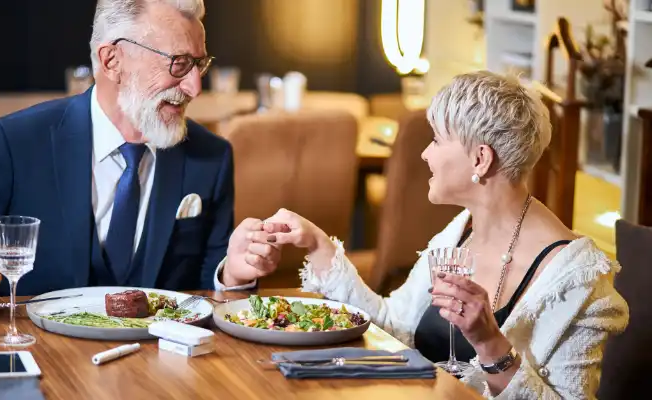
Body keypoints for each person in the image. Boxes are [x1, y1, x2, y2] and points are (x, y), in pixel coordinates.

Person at [253, 72, 629, 398]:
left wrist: (489, 344)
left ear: (480, 159)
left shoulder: (578, 280)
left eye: (436, 139)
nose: (424, 155)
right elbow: (394, 326)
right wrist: (318, 245)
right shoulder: (458, 232)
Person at [0, 0, 275, 318]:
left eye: (199, 64)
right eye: (179, 63)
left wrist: (232, 276)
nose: (194, 87)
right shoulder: (15, 142)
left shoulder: (211, 156)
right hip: (42, 350)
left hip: (164, 361)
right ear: (111, 61)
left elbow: (209, 291)